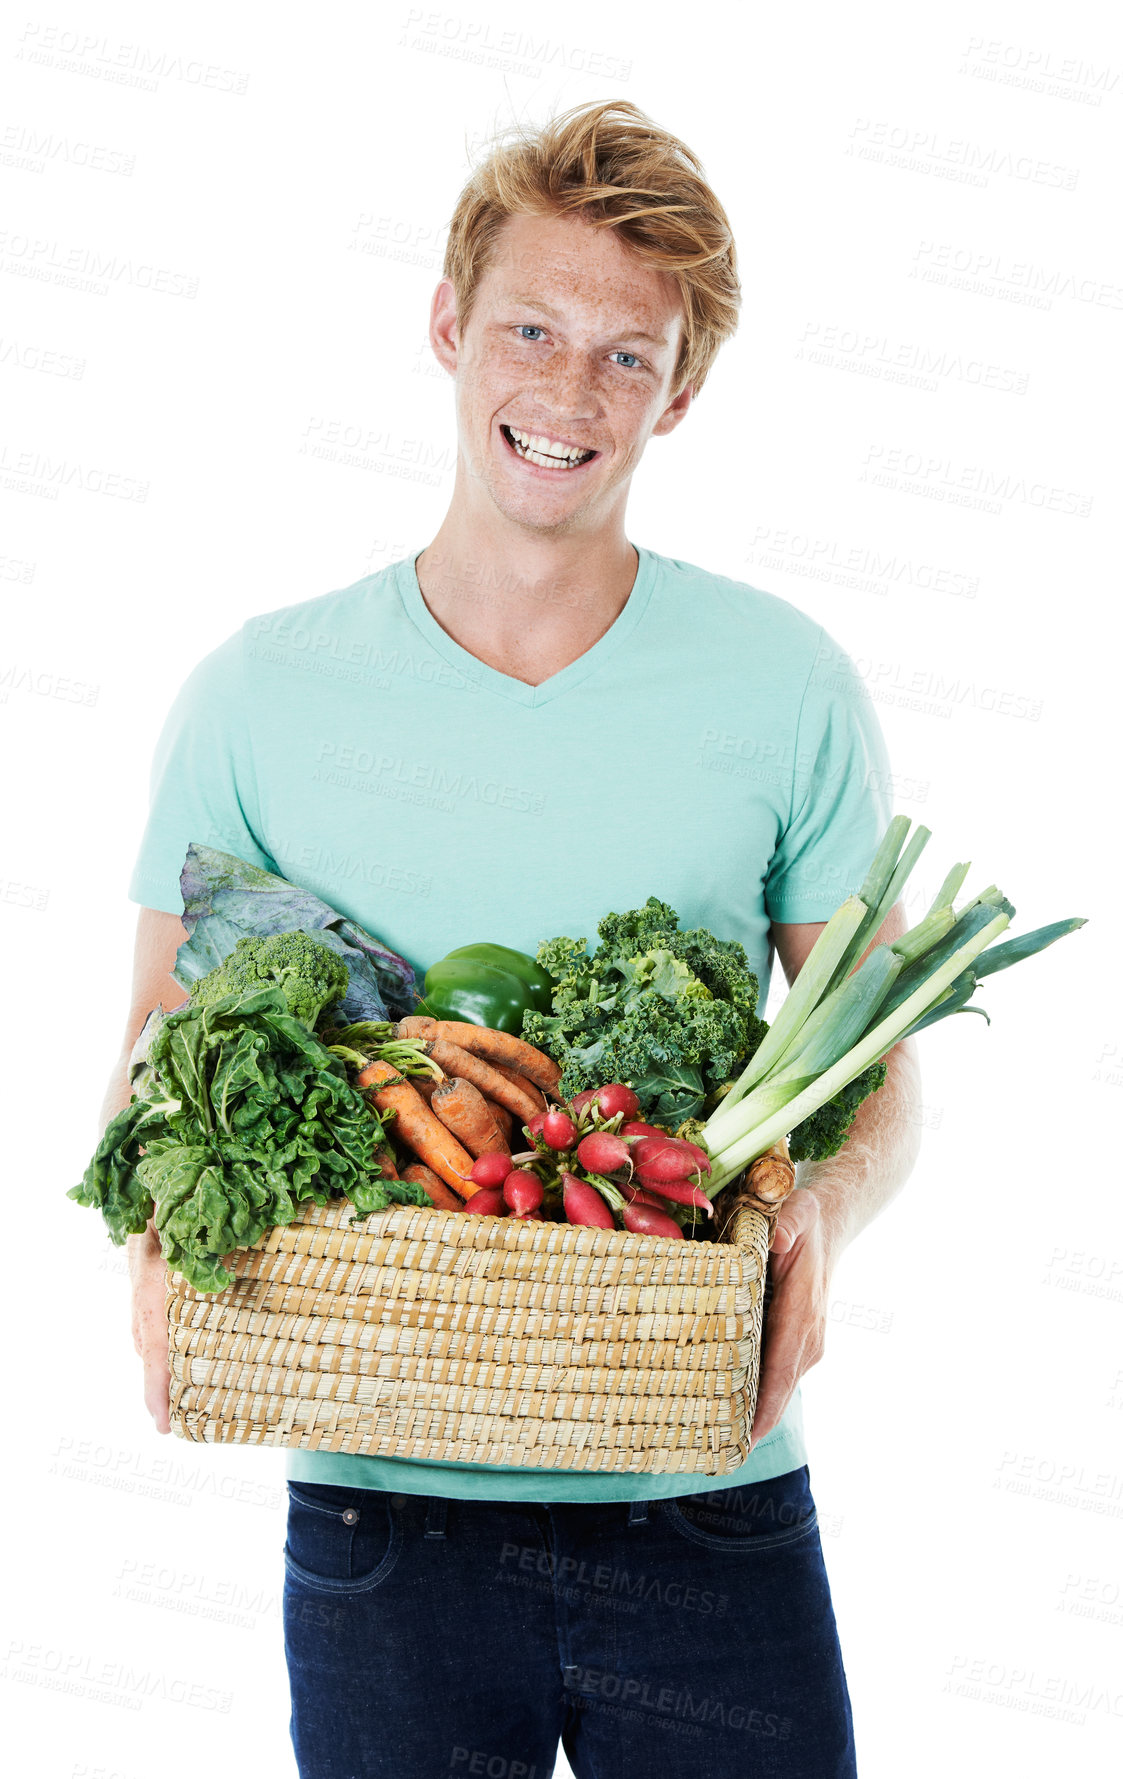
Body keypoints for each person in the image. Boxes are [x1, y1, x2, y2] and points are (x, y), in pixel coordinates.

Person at [111, 99, 921, 1778]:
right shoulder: (260, 694)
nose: (569, 394)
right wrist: (157, 1227)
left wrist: (821, 1213)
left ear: (681, 393)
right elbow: (150, 1047)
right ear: (445, 327)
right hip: (381, 1516)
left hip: (707, 1492)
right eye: (532, 332)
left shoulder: (786, 687)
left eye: (628, 358)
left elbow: (873, 1060)